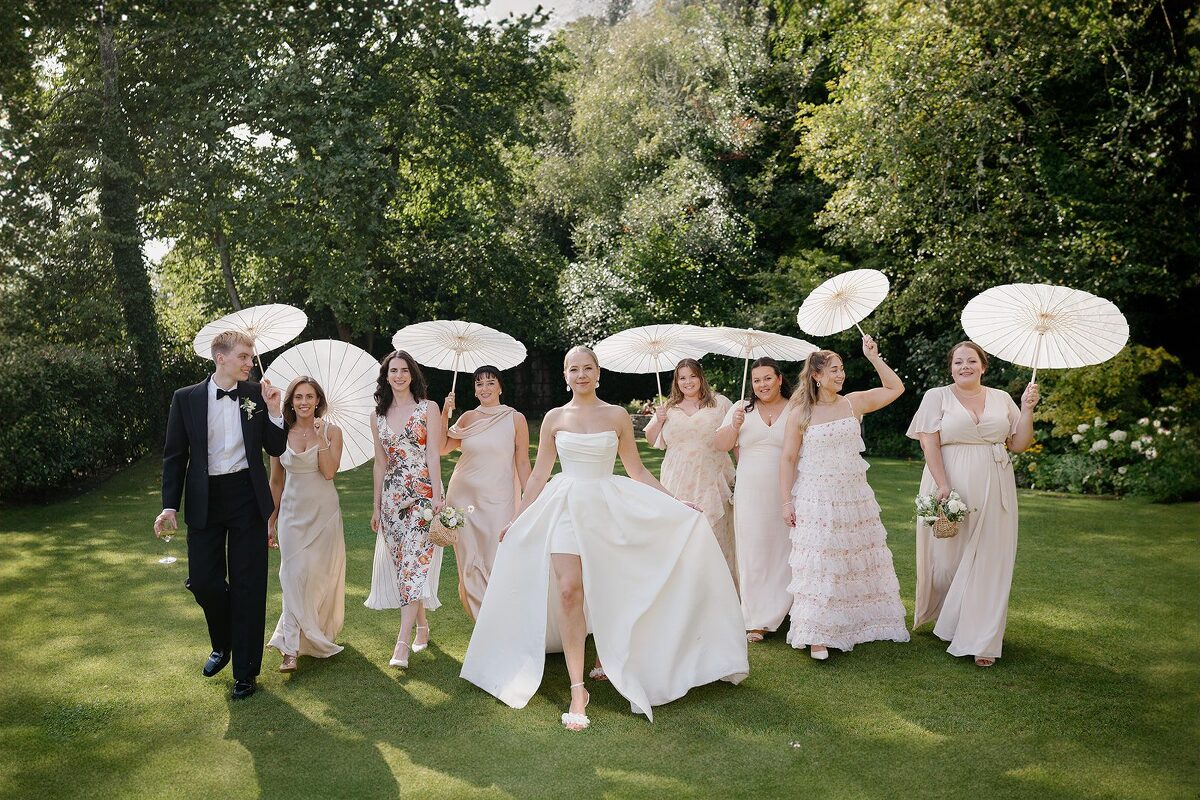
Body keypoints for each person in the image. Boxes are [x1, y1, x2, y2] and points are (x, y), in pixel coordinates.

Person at [460, 346, 748, 731]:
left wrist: (676, 501)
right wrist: (517, 519)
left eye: (588, 368)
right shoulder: (553, 418)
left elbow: (637, 469)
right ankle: (578, 689)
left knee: (610, 587)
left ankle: (614, 657)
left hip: (607, 507)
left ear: (598, 373)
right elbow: (538, 475)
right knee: (568, 590)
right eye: (574, 369)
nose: (581, 374)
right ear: (565, 375)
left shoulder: (616, 416)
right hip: (564, 507)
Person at [154, 330, 286, 700]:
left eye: (250, 357)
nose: (250, 363)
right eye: (244, 356)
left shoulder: (257, 395)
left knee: (249, 586)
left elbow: (275, 447)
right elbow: (175, 455)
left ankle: (245, 672)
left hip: (247, 497)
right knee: (204, 582)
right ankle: (223, 643)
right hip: (205, 499)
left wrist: (275, 412)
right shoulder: (186, 399)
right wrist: (169, 505)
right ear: (221, 358)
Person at [906, 341, 1038, 667]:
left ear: (983, 365)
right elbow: (928, 441)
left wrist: (1027, 410)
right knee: (945, 561)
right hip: (945, 480)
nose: (965, 366)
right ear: (950, 367)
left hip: (996, 482)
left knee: (991, 560)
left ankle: (982, 638)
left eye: (971, 361)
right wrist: (943, 484)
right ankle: (949, 619)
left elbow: (1019, 443)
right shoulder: (936, 396)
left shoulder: (1002, 398)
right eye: (958, 362)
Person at [779, 337, 910, 660]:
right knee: (820, 565)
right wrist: (786, 501)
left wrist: (874, 358)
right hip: (816, 498)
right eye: (834, 370)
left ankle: (856, 623)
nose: (841, 375)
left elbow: (896, 389)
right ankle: (817, 635)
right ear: (816, 376)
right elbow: (788, 459)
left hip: (854, 497)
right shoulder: (800, 412)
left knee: (852, 560)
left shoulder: (853, 403)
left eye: (842, 369)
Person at [364, 351, 445, 669]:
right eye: (392, 371)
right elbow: (380, 464)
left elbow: (434, 456)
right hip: (391, 503)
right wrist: (375, 507)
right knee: (404, 570)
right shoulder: (377, 416)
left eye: (403, 370)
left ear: (412, 375)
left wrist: (438, 497)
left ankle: (401, 643)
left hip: (423, 498)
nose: (398, 375)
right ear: (386, 376)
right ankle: (422, 626)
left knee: (413, 566)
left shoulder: (428, 408)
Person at [266, 377, 346, 673]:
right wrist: (270, 520)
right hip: (291, 515)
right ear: (290, 402)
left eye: (309, 397)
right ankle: (289, 649)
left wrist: (321, 438)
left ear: (317, 401)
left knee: (315, 578)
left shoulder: (332, 431)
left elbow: (328, 472)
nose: (303, 402)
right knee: (292, 575)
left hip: (324, 514)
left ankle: (312, 634)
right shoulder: (279, 435)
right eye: (298, 397)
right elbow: (276, 481)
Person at [440, 366, 532, 620]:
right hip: (463, 498)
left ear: (500, 387)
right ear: (474, 390)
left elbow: (523, 462)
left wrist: (534, 497)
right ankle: (482, 623)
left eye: (490, 383)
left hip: (499, 499)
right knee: (469, 562)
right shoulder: (468, 417)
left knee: (497, 559)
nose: (485, 389)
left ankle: (503, 619)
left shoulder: (515, 419)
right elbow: (441, 447)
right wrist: (445, 414)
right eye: (479, 384)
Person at [714, 357, 793, 642]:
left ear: (780, 379)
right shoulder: (740, 409)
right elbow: (721, 446)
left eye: (768, 378)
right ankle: (757, 618)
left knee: (787, 548)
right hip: (751, 488)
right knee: (754, 550)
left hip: (788, 487)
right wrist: (733, 426)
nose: (762, 384)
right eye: (757, 380)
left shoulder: (796, 407)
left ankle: (787, 609)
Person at [644, 359, 737, 581]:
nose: (688, 382)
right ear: (677, 381)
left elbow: (734, 439)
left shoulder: (720, 403)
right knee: (680, 538)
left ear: (701, 377)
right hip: (676, 480)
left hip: (711, 478)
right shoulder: (668, 408)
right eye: (682, 377)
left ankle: (718, 593)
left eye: (692, 376)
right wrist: (658, 420)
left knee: (714, 537)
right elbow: (650, 439)